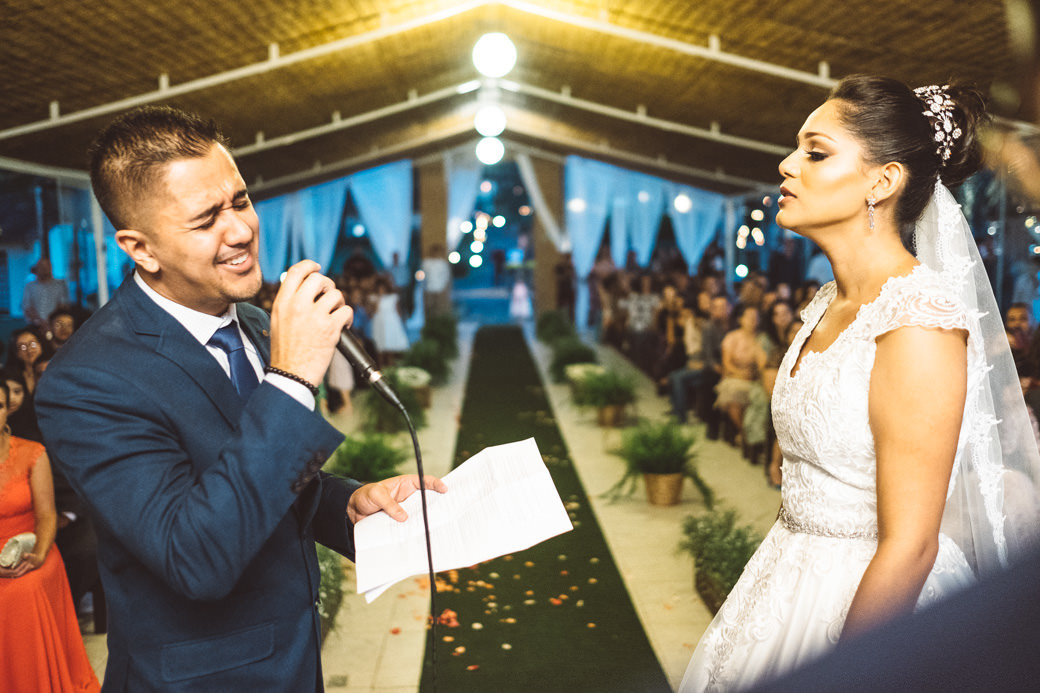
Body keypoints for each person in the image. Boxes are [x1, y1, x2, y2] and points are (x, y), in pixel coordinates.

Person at [35, 105, 446, 691]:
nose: (241, 230)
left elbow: (267, 480)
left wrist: (346, 504)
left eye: (241, 200)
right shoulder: (87, 381)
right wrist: (293, 377)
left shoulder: (252, 323)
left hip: (295, 664)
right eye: (206, 219)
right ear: (141, 248)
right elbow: (194, 556)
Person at [680, 76, 1040, 691]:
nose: (787, 164)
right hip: (786, 573)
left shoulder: (918, 322)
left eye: (815, 152)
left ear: (882, 181)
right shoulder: (826, 303)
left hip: (873, 597)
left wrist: (845, 672)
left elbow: (912, 546)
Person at [0, 381, 101, 692]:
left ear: (7, 409)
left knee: (22, 591)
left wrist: (38, 555)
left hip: (32, 547)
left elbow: (46, 516)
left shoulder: (33, 452)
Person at [21, 259, 69, 330]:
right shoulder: (29, 286)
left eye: (47, 266)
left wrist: (51, 321)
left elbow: (62, 305)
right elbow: (27, 307)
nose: (45, 269)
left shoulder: (60, 285)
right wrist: (40, 322)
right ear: (37, 269)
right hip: (35, 326)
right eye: (42, 266)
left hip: (55, 326)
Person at [5, 325, 52, 395]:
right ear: (17, 353)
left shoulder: (54, 370)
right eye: (22, 347)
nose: (29, 349)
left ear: (41, 345)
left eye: (33, 344)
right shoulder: (11, 377)